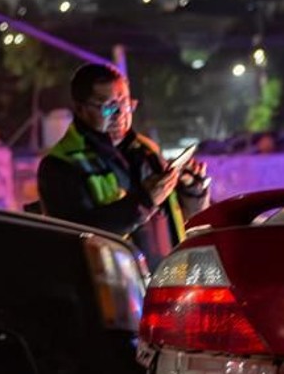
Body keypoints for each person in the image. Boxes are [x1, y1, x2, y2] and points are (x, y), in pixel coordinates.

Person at [37, 63, 210, 264]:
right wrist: (144, 202)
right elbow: (76, 239)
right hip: (112, 289)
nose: (120, 114)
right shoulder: (59, 165)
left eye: (125, 103)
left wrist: (193, 191)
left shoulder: (147, 151)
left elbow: (184, 219)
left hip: (171, 281)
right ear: (80, 109)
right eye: (109, 106)